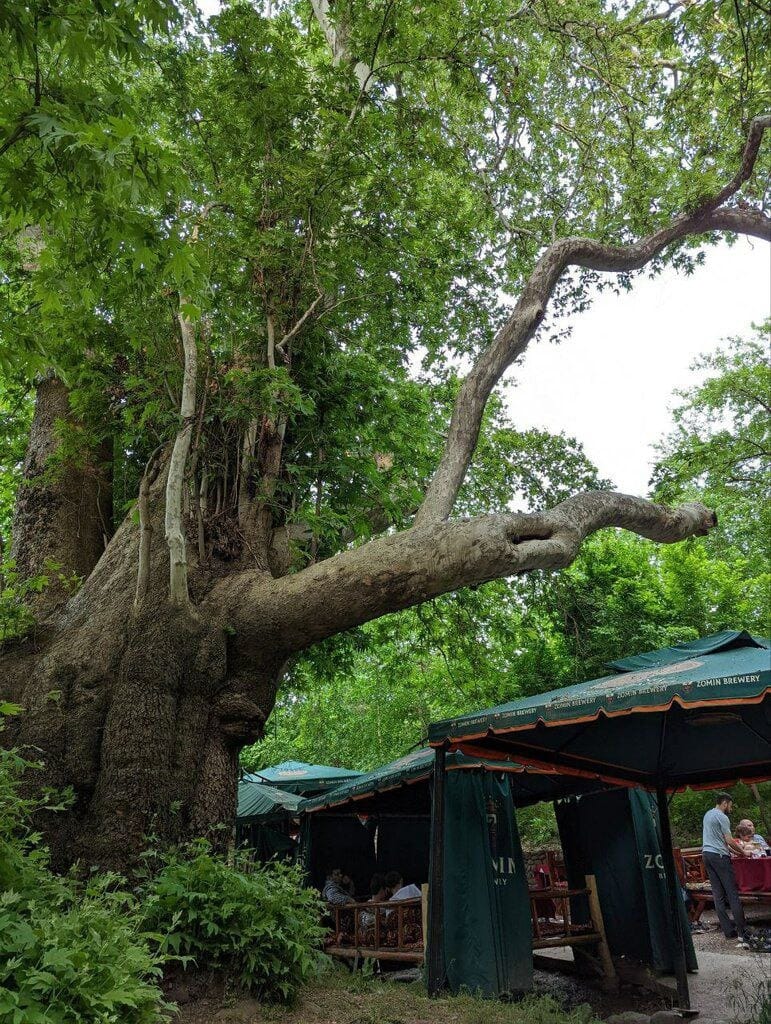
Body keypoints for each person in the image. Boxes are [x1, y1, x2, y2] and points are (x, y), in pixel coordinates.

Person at [701, 793, 749, 947]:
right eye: (730, 805)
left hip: (707, 855)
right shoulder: (722, 817)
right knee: (732, 894)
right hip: (720, 857)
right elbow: (729, 840)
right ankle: (742, 933)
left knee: (718, 895)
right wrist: (744, 852)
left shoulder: (708, 815)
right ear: (725, 803)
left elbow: (721, 841)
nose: (730, 808)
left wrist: (736, 852)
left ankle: (729, 931)